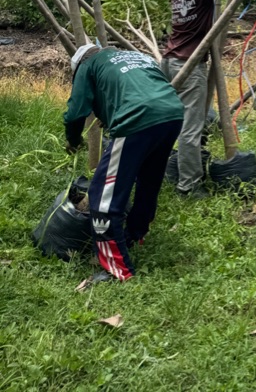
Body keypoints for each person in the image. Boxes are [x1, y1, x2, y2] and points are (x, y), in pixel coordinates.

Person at [63, 44, 184, 282]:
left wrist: (73, 140)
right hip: (172, 114)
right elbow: (140, 89)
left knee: (102, 194)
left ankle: (117, 269)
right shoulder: (134, 56)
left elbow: (76, 112)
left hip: (138, 118)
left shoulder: (87, 66)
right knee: (149, 179)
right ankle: (136, 233)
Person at [162, 0, 252, 197]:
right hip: (189, 66)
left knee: (173, 124)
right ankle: (189, 186)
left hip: (169, 61)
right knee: (191, 129)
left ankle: (166, 170)